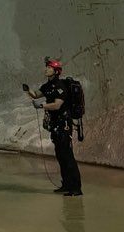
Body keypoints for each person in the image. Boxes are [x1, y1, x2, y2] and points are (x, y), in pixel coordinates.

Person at [24, 57, 82, 196]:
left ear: (56, 71)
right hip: (55, 125)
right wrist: (28, 90)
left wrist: (42, 106)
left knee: (67, 155)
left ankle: (76, 188)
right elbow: (36, 95)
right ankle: (66, 184)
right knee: (60, 155)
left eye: (49, 68)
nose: (46, 69)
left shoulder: (60, 86)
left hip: (64, 124)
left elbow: (57, 105)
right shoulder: (47, 86)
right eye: (47, 67)